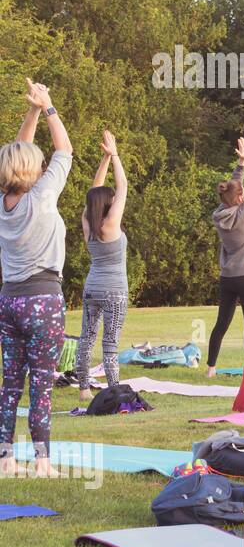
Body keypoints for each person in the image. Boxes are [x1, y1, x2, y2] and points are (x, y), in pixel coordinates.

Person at [0, 80, 71, 479]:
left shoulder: (3, 205)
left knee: (10, 384)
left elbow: (16, 154)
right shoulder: (42, 196)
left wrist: (29, 112)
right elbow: (64, 150)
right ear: (32, 171)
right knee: (41, 383)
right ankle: (42, 461)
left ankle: (5, 458)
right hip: (43, 300)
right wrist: (48, 108)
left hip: (9, 301)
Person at [74, 131, 129, 400]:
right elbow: (123, 188)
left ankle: (84, 388)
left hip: (92, 287)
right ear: (107, 204)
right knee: (110, 344)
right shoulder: (111, 225)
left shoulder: (88, 222)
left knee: (86, 338)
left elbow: (92, 193)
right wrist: (115, 155)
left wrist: (105, 158)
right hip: (115, 292)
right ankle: (113, 390)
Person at [206, 137, 244, 375]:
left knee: (221, 324)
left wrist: (239, 165)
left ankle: (211, 367)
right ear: (239, 199)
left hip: (227, 277)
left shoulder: (219, 213)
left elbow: (235, 186)